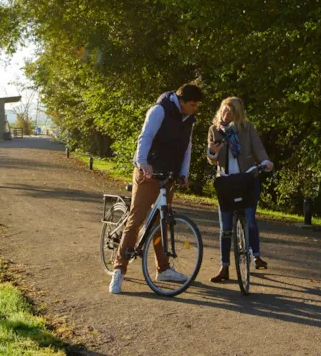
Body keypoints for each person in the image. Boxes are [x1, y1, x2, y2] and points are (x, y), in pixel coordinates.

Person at [108, 83, 204, 294]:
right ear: (181, 102)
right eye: (193, 104)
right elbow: (146, 137)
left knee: (162, 222)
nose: (195, 108)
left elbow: (187, 147)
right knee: (136, 219)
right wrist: (143, 163)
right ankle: (119, 270)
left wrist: (184, 173)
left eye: (197, 105)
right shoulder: (160, 110)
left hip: (167, 175)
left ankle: (163, 268)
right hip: (148, 172)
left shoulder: (189, 119)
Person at [207, 97, 273, 283]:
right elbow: (211, 158)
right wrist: (212, 151)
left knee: (250, 219)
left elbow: (258, 147)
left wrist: (265, 162)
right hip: (226, 181)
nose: (226, 115)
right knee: (225, 227)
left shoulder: (247, 128)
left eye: (231, 112)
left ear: (238, 114)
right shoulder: (215, 130)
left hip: (247, 179)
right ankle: (224, 266)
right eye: (224, 111)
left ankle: (256, 255)